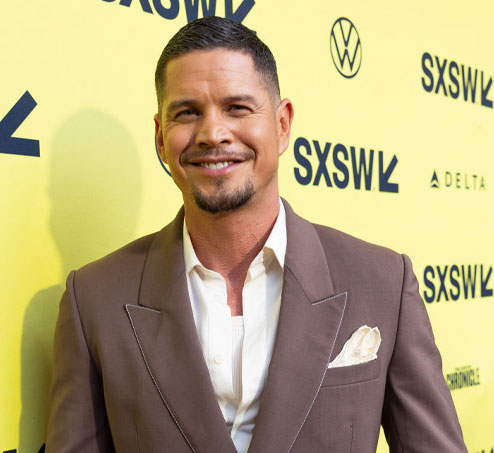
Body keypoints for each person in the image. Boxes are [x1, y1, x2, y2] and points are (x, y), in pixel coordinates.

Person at [46, 16, 467, 453]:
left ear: (282, 125)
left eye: (238, 108)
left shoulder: (382, 282)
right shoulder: (93, 298)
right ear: (160, 137)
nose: (213, 134)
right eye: (188, 113)